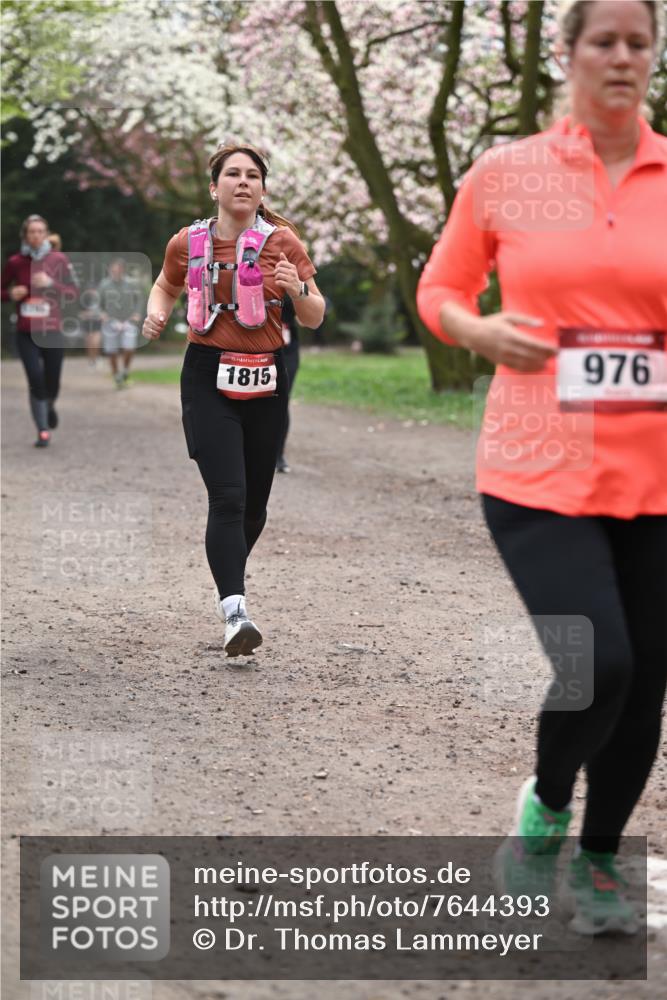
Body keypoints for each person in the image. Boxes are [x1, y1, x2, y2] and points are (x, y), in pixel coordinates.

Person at [417, 0, 666, 936]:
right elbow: (441, 286)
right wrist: (475, 329)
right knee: (599, 660)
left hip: (657, 474)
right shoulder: (508, 175)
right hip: (537, 471)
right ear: (568, 56)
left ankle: (600, 862)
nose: (621, 57)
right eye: (602, 40)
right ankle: (546, 812)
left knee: (647, 679)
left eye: (638, 43)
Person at [142, 143, 325, 656]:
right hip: (206, 375)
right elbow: (165, 284)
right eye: (233, 174)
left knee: (254, 508)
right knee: (228, 497)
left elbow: (315, 314)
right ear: (214, 186)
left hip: (265, 378)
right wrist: (156, 313)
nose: (243, 182)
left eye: (252, 176)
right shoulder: (188, 242)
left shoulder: (282, 242)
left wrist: (297, 291)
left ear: (262, 189)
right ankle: (235, 611)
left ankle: (229, 575)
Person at [1, 214, 78, 446]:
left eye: (39, 231)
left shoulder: (59, 260)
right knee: (35, 378)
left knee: (52, 381)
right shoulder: (15, 262)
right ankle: (43, 430)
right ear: (25, 236)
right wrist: (9, 295)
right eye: (31, 232)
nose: (35, 235)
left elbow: (74, 293)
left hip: (52, 331)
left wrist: (52, 284)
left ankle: (49, 404)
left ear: (45, 234)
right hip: (26, 332)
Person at [99, 258, 144, 388]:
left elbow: (139, 299)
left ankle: (125, 370)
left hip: (128, 321)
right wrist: (101, 314)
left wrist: (137, 313)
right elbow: (98, 303)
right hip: (110, 322)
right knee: (111, 351)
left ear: (123, 270)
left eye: (117, 269)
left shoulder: (131, 284)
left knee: (129, 348)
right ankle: (116, 377)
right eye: (113, 269)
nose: (115, 272)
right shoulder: (104, 285)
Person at [276, 294, 300, 473]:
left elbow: (314, 313)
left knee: (281, 399)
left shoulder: (290, 269)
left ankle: (278, 455)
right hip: (251, 346)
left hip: (286, 349)